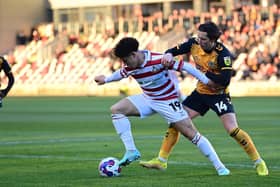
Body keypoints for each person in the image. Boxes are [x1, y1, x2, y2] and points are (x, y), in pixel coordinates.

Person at [139, 22, 269, 176]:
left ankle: (259, 162)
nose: (199, 41)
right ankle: (161, 160)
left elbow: (225, 79)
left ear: (213, 40)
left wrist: (201, 73)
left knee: (232, 130)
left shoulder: (223, 55)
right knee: (176, 123)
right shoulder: (194, 43)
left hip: (218, 95)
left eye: (203, 39)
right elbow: (174, 50)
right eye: (198, 37)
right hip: (200, 94)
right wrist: (167, 54)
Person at [95, 37, 230, 176]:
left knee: (192, 135)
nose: (124, 63)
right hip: (148, 99)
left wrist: (207, 81)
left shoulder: (159, 60)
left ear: (134, 55)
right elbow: (121, 74)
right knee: (116, 110)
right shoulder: (130, 66)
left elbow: (186, 67)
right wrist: (106, 79)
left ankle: (220, 167)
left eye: (125, 60)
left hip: (167, 102)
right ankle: (131, 151)